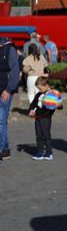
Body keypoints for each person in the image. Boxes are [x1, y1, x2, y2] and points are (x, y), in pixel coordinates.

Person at [28, 76, 62, 161]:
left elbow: (59, 104)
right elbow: (33, 104)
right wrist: (31, 110)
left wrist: (59, 105)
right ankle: (40, 152)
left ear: (46, 85)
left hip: (46, 117)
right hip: (37, 117)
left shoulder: (52, 94)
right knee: (38, 135)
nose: (40, 90)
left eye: (40, 88)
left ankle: (49, 152)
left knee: (46, 135)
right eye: (38, 89)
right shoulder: (38, 95)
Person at [0, 34, 19, 162]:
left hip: (5, 91)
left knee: (1, 121)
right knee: (1, 122)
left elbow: (15, 71)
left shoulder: (9, 50)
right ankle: (5, 149)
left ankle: (1, 149)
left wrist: (8, 89)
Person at [22, 43, 48, 108]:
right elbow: (46, 65)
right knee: (39, 93)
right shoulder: (41, 56)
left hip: (31, 78)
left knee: (31, 94)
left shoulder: (27, 58)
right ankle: (40, 107)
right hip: (40, 77)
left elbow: (25, 70)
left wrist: (29, 68)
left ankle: (34, 107)